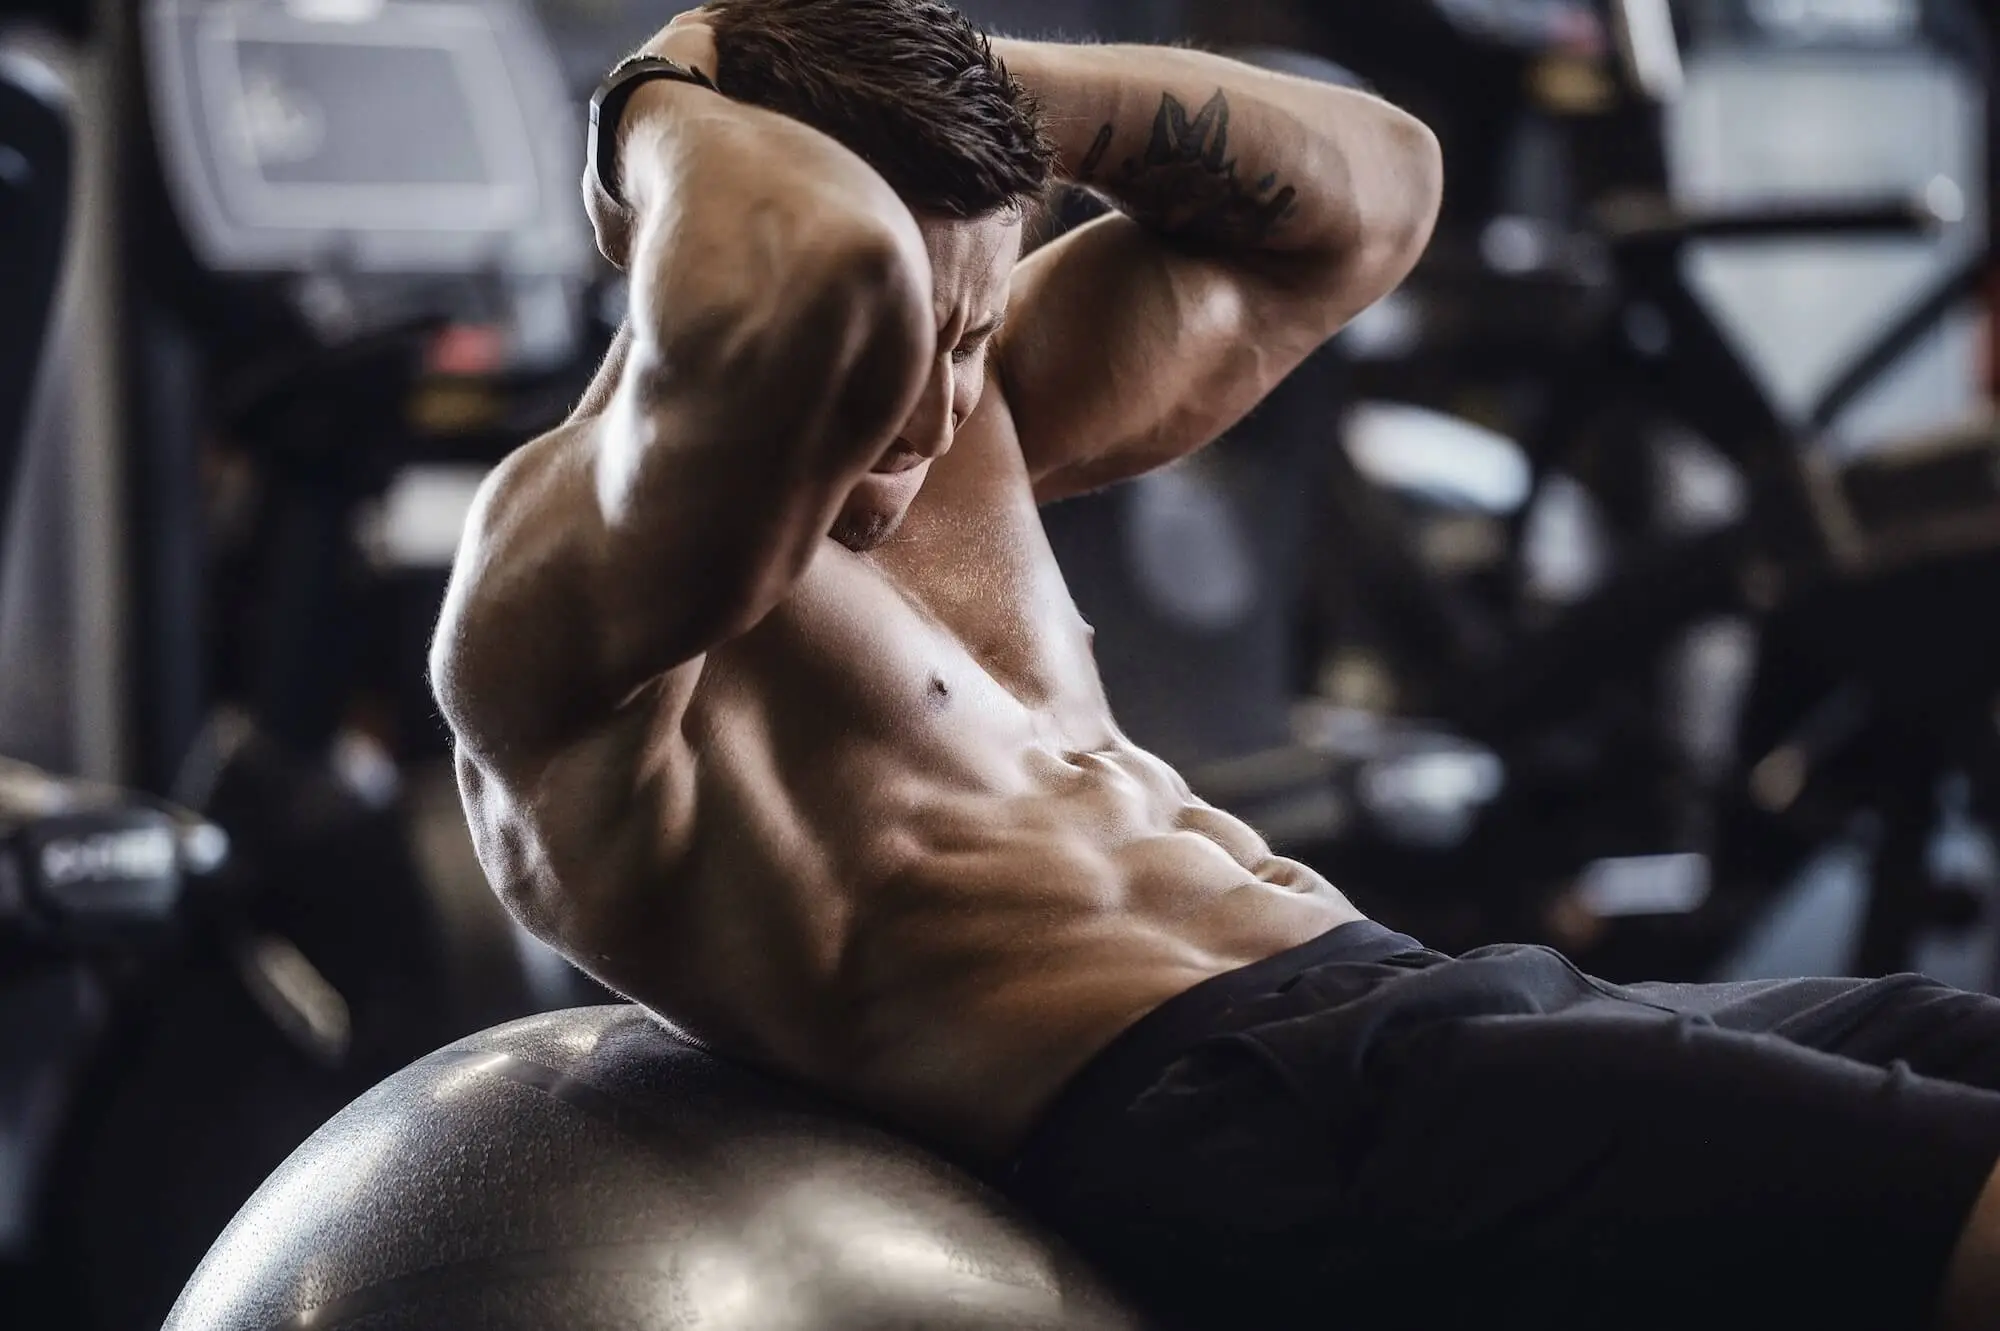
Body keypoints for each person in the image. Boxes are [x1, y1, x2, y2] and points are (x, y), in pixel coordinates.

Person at [428, 2, 2000, 1326]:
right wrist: (663, 90)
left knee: (1953, 1039)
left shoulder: (966, 426)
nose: (935, 408)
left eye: (973, 335)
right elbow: (816, 278)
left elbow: (1379, 187)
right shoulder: (581, 578)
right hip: (1233, 1112)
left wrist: (969, 94)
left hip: (1401, 1005)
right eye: (921, 332)